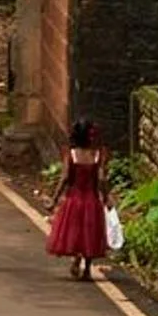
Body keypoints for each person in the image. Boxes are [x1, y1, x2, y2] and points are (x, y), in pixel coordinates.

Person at [47, 118, 112, 281]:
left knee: (76, 232)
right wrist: (106, 197)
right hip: (92, 200)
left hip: (73, 200)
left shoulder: (72, 154)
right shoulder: (97, 155)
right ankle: (88, 269)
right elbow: (101, 179)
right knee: (91, 233)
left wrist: (54, 200)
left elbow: (65, 178)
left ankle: (76, 260)